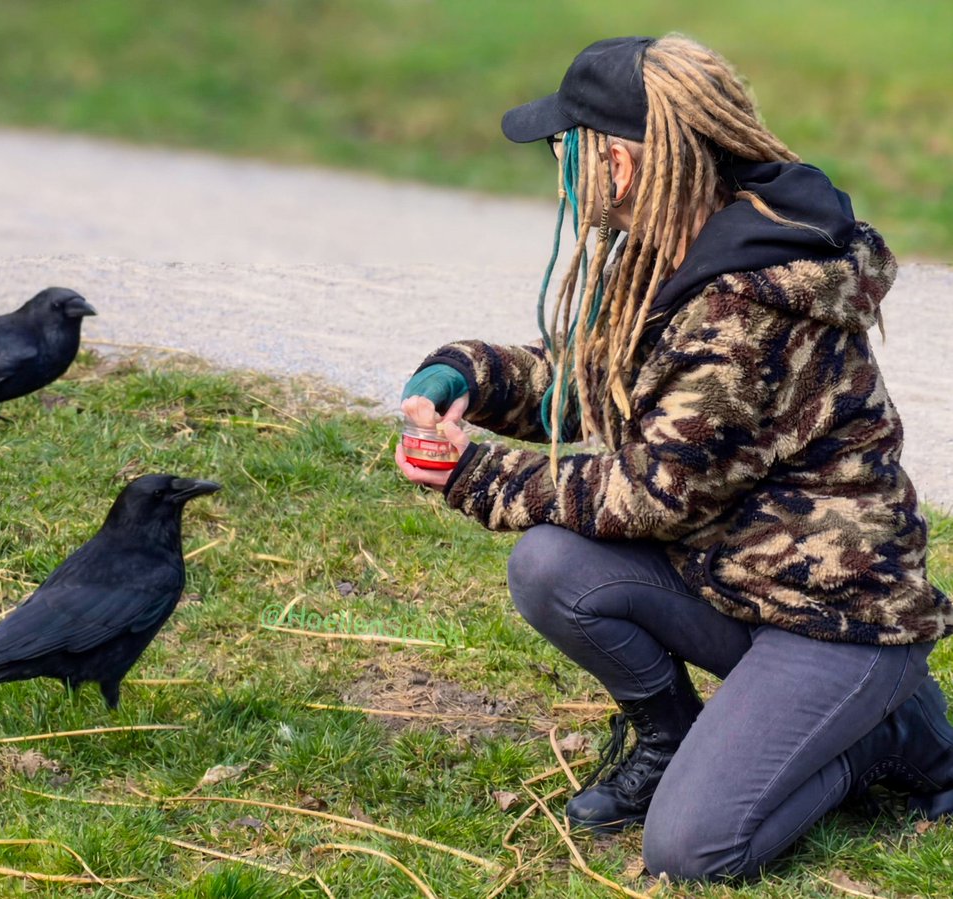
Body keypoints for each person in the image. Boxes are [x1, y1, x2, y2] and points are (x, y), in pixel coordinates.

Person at [395, 34, 953, 882]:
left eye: (564, 149)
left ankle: (882, 738)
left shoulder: (747, 305)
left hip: (837, 618)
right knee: (549, 565)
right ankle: (674, 737)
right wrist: (462, 374)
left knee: (691, 850)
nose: (559, 169)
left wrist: (469, 473)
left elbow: (651, 496)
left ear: (619, 163)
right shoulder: (680, 246)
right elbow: (587, 381)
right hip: (737, 577)